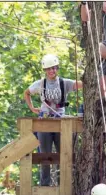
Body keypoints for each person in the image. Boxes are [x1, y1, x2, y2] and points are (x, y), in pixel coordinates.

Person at [24, 54, 82, 186]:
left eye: (54, 68)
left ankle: (65, 185)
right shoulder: (40, 84)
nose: (52, 71)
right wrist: (32, 108)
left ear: (57, 68)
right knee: (45, 155)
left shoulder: (64, 83)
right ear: (45, 70)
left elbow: (81, 85)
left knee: (64, 154)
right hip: (45, 122)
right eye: (49, 69)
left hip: (61, 122)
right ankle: (44, 185)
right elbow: (26, 93)